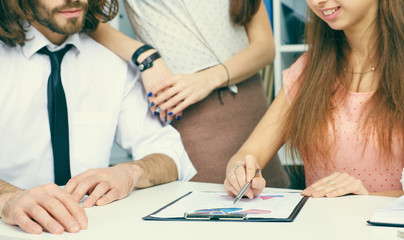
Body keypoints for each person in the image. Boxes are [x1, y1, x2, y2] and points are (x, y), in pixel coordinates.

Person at [0, 0, 196, 234]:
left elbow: (171, 154)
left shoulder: (111, 62)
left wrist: (131, 172)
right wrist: (8, 198)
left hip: (91, 230)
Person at [89, 0, 290, 186]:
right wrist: (143, 54)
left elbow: (265, 47)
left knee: (269, 205)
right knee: (201, 212)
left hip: (251, 106)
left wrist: (209, 79)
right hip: (188, 112)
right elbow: (84, 16)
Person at [224, 0, 404, 199]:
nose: (318, 1)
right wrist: (240, 172)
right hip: (317, 228)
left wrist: (364, 199)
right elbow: (248, 153)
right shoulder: (306, 72)